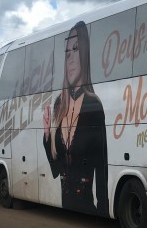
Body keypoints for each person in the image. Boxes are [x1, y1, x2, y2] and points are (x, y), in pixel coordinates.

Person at [43, 21, 109, 216]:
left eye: (76, 49)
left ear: (85, 54)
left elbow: (101, 165)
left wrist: (103, 212)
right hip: (66, 210)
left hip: (88, 209)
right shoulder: (59, 105)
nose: (70, 59)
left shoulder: (94, 105)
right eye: (67, 53)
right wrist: (47, 135)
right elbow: (56, 168)